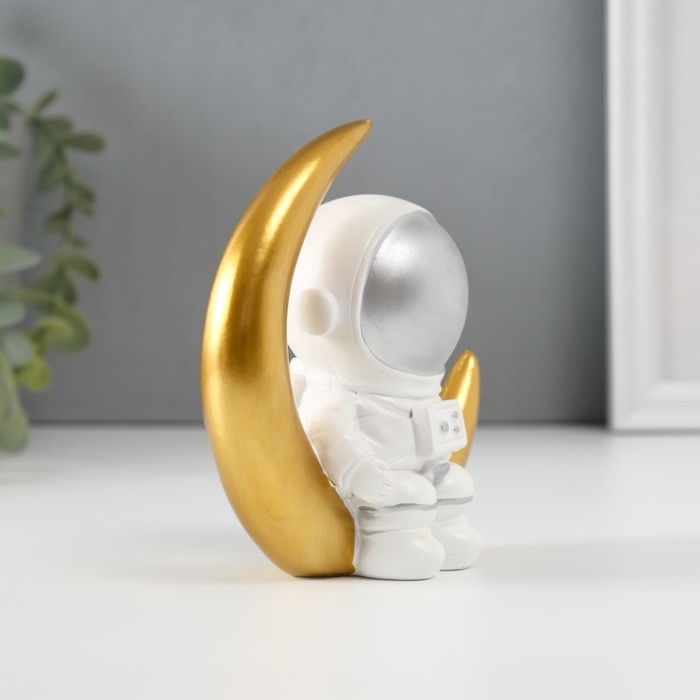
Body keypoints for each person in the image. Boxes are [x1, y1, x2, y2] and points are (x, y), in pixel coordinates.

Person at [288, 195, 482, 580]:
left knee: (454, 484)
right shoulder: (335, 394)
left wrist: (439, 451)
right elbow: (327, 434)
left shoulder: (418, 385)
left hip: (424, 466)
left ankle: (445, 530)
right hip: (371, 488)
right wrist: (360, 472)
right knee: (409, 495)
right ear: (317, 311)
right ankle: (391, 547)